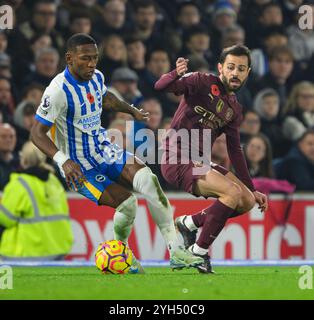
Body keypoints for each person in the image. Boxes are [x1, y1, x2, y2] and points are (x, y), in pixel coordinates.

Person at [30, 33, 203, 272]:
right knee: (128, 204)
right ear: (69, 58)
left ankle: (176, 252)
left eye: (95, 58)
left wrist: (130, 110)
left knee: (149, 181)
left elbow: (105, 97)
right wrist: (64, 161)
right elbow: (37, 133)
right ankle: (121, 254)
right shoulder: (58, 91)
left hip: (104, 150)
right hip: (81, 167)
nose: (91, 64)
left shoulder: (96, 76)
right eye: (85, 58)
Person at [155, 45, 268, 273]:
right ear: (221, 68)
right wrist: (176, 73)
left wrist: (252, 188)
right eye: (231, 67)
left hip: (199, 161)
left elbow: (235, 149)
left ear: (248, 73)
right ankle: (198, 252)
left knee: (245, 200)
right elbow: (161, 86)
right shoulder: (200, 81)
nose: (235, 73)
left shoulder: (234, 108)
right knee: (231, 193)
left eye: (241, 69)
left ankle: (189, 223)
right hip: (177, 157)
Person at [0, 141, 73, 260]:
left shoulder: (19, 183)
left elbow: (6, 219)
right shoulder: (53, 181)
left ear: (23, 158)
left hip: (26, 252)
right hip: (56, 250)